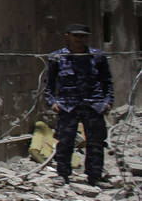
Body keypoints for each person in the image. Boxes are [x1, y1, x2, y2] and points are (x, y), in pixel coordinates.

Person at [44, 24, 114, 186]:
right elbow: (49, 82)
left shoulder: (97, 57)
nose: (79, 39)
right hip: (68, 105)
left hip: (93, 104)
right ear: (68, 36)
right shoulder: (58, 57)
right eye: (75, 36)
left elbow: (107, 81)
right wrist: (51, 101)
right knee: (65, 140)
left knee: (96, 142)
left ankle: (95, 176)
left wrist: (107, 101)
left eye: (82, 36)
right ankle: (63, 174)